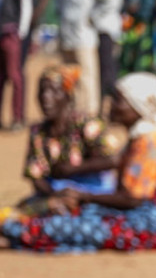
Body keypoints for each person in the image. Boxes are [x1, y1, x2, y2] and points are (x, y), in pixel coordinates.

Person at [2, 73, 156, 252]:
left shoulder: (148, 141)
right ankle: (22, 233)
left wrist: (83, 195)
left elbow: (132, 198)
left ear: (137, 108)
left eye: (119, 101)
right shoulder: (140, 138)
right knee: (78, 214)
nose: (112, 106)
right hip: (144, 211)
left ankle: (20, 233)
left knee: (75, 225)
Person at [18, 65, 119, 205]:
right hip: (56, 191)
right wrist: (55, 196)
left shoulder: (87, 124)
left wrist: (75, 169)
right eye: (42, 91)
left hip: (93, 192)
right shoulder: (38, 132)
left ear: (67, 96)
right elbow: (36, 177)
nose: (46, 98)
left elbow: (112, 160)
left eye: (54, 91)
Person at [58, 0, 100, 115]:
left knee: (86, 78)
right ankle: (73, 112)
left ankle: (90, 114)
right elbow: (58, 6)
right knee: (68, 77)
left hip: (84, 39)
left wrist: (93, 19)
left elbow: (109, 0)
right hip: (67, 38)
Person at [0, 0, 31, 130]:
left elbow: (26, 6)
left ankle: (17, 117)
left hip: (11, 33)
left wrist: (20, 33)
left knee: (14, 75)